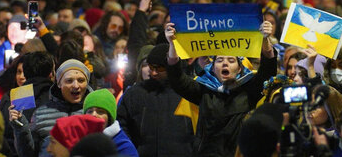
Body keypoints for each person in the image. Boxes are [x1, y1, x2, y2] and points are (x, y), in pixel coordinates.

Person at [166, 20, 276, 156]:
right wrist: (172, 44)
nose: (225, 63)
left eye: (231, 60)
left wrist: (265, 39)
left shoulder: (249, 89)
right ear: (212, 68)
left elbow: (268, 71)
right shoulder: (203, 90)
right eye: (219, 60)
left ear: (239, 68)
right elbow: (176, 79)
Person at [117, 43, 194, 156]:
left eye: (160, 68)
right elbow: (122, 126)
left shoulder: (191, 91)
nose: (153, 72)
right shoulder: (135, 93)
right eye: (151, 67)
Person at [11, 59, 92, 156]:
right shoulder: (41, 114)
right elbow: (27, 154)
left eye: (81, 80)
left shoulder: (94, 113)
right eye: (69, 81)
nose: (76, 85)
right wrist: (20, 128)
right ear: (59, 84)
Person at [83, 88, 138, 156]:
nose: (94, 115)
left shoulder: (124, 147)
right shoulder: (80, 140)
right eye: (90, 111)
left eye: (100, 112)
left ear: (110, 118)